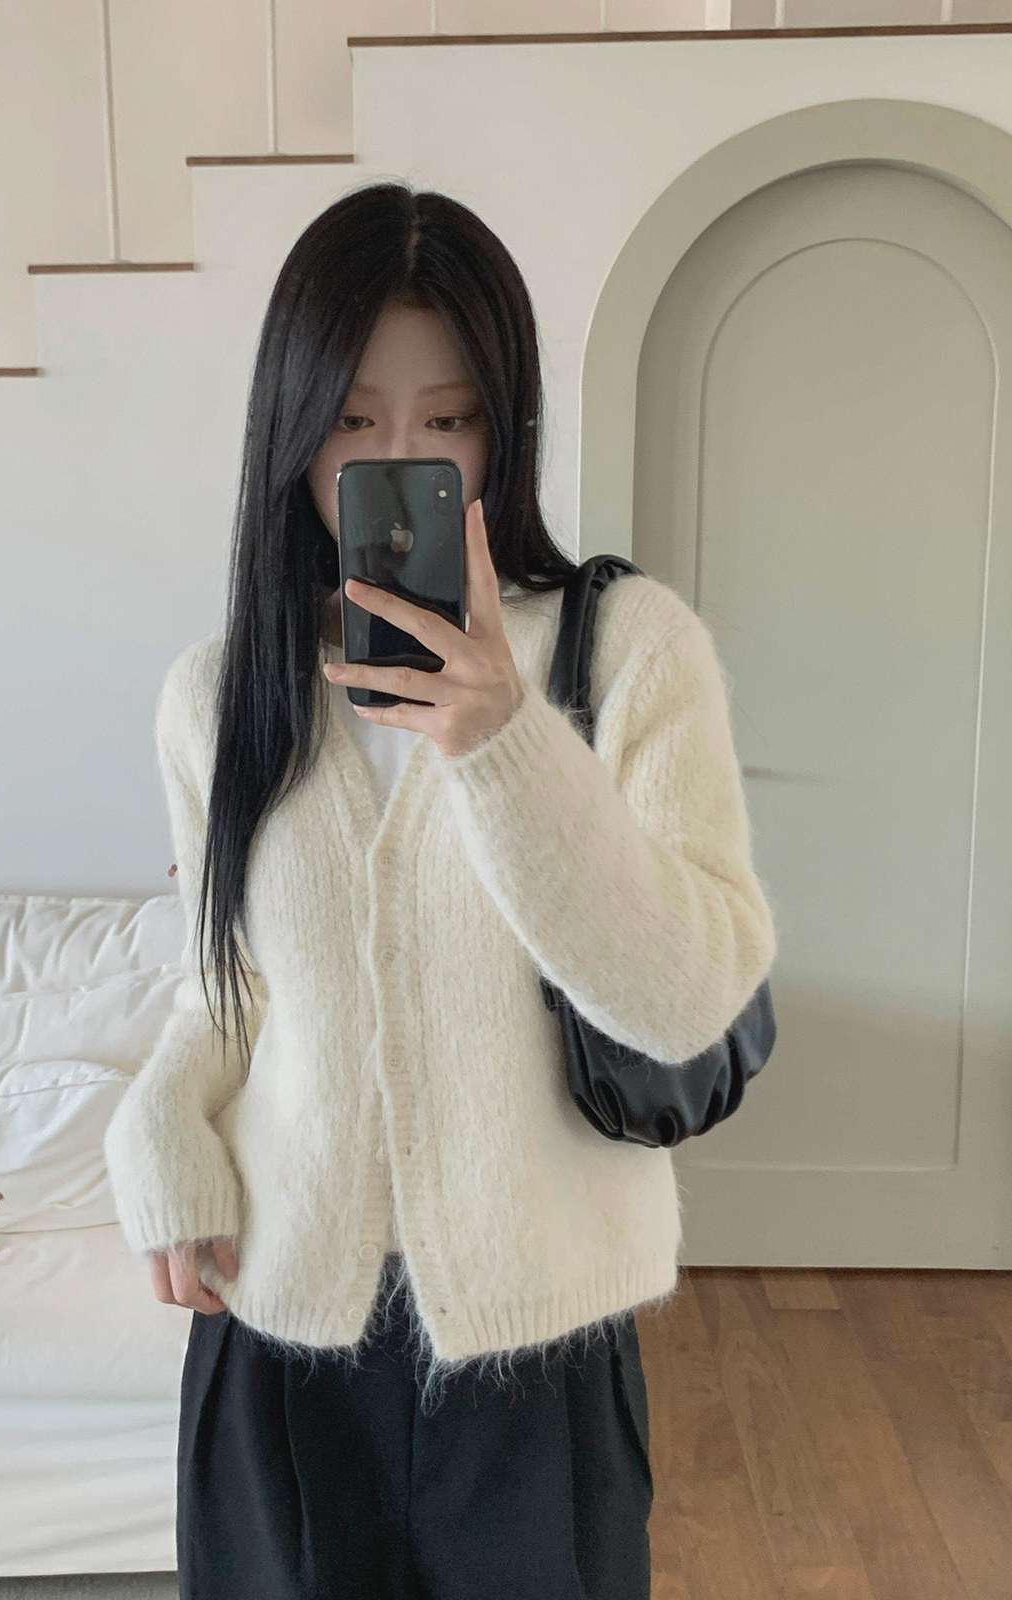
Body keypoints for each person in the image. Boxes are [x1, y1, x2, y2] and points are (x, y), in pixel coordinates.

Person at [104, 180, 778, 1599]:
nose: (400, 457)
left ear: (505, 427)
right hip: (279, 1334)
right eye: (353, 420)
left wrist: (505, 743)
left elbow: (687, 1000)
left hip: (540, 1355)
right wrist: (157, 1129)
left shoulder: (631, 651)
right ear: (289, 428)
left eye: (449, 419)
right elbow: (228, 987)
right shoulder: (217, 697)